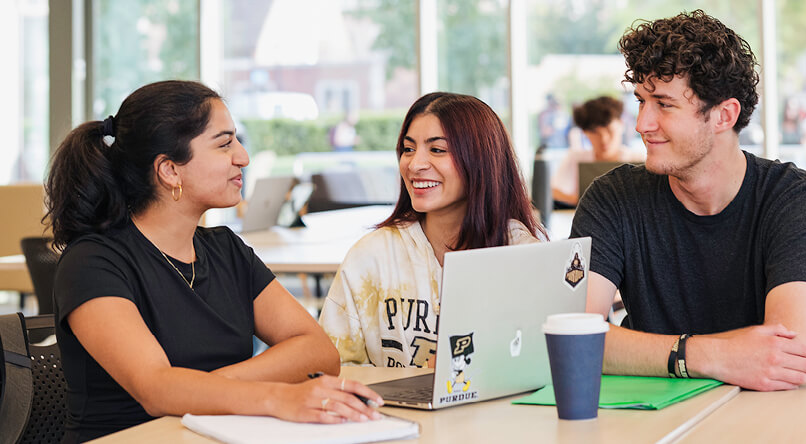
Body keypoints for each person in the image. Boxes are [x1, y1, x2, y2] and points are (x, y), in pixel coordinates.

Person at [45, 80, 382, 442]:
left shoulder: (226, 250)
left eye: (237, 140)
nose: (243, 157)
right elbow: (155, 386)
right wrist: (276, 395)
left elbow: (318, 351)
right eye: (224, 144)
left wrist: (195, 389)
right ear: (170, 170)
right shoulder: (93, 262)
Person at [571, 10, 806, 392]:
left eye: (663, 104)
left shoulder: (795, 200)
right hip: (657, 419)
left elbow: (785, 355)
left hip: (777, 417)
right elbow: (574, 339)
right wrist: (706, 356)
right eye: (642, 102)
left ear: (724, 115)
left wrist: (641, 352)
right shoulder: (613, 198)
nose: (642, 124)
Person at [319, 92, 545, 367]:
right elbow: (331, 367)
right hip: (384, 410)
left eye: (437, 150)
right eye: (408, 148)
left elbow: (544, 364)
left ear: (482, 160)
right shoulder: (371, 256)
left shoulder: (523, 256)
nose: (415, 164)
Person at [551, 96, 642, 206]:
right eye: (595, 133)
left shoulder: (639, 161)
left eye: (609, 130)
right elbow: (553, 191)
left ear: (621, 125)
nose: (604, 139)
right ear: (584, 132)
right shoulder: (575, 158)